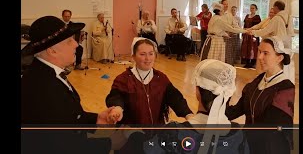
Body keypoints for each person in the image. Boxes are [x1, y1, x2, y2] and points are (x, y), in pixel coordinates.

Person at [21, 16, 116, 153]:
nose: (76, 44)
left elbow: (68, 116)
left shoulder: (46, 72)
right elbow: (63, 145)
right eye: (69, 41)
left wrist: (96, 119)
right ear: (52, 51)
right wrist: (110, 143)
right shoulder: (43, 88)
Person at [225, 36, 295, 154]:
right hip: (250, 144)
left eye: (266, 53)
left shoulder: (285, 88)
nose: (259, 57)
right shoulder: (257, 82)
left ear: (279, 58)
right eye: (259, 51)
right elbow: (236, 110)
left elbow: (270, 128)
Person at [105, 37, 194, 125]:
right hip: (132, 132)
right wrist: (117, 108)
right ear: (133, 57)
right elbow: (115, 97)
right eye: (143, 54)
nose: (148, 58)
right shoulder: (123, 79)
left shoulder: (160, 78)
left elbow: (175, 98)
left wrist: (188, 114)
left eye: (151, 54)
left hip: (157, 130)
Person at [247, 1, 295, 83]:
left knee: (270, 63)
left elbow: (266, 30)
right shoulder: (288, 16)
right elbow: (291, 33)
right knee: (280, 65)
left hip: (276, 44)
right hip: (286, 45)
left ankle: (269, 80)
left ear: (276, 7)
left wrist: (253, 33)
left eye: (273, 8)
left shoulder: (277, 18)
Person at [241, 4, 261, 68]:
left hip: (253, 34)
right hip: (246, 34)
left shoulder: (257, 17)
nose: (251, 9)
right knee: (246, 48)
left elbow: (258, 27)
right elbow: (244, 25)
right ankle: (247, 62)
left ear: (256, 9)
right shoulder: (247, 16)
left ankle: (252, 62)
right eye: (251, 8)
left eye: (253, 8)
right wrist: (243, 32)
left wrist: (252, 32)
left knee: (252, 48)